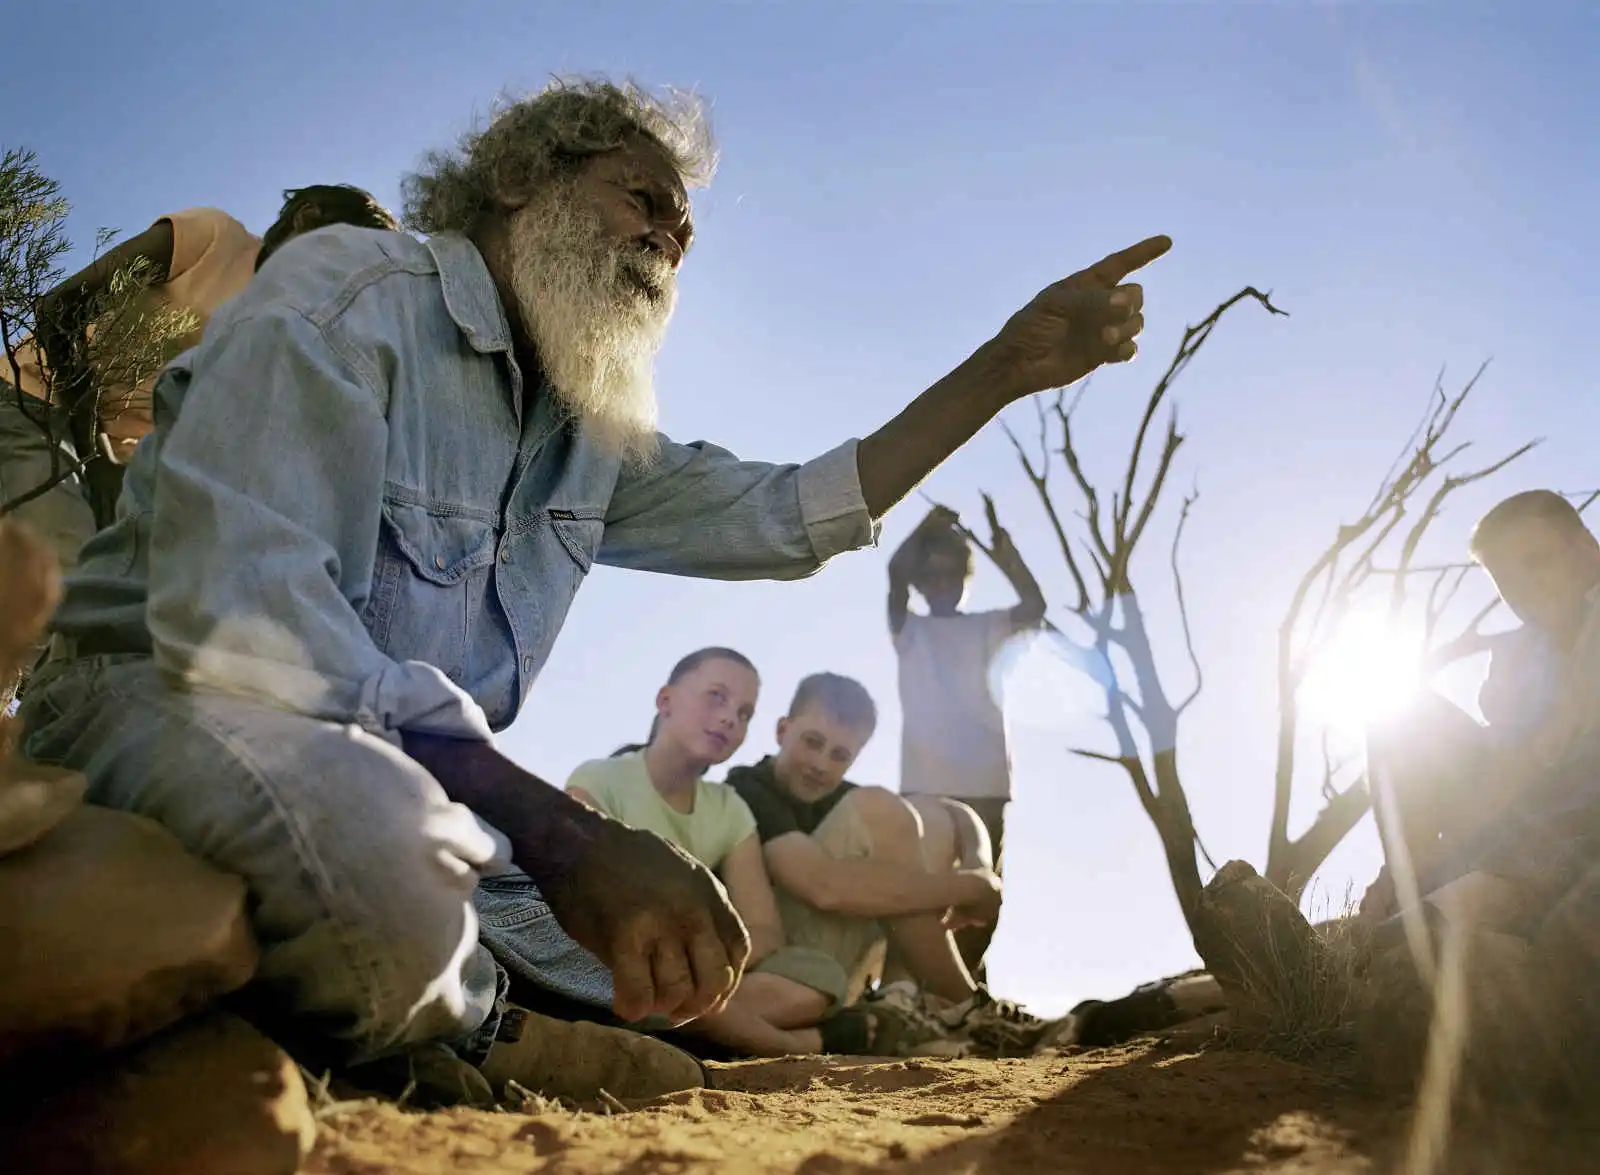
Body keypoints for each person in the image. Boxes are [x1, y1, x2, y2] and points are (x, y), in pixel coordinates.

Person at [19, 76, 1167, 1102]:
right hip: (167, 705)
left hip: (411, 777)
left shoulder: (582, 433)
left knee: (673, 957)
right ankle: (477, 1037)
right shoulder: (351, 291)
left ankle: (467, 1003)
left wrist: (1001, 371)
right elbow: (248, 625)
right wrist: (564, 832)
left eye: (684, 232)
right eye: (641, 198)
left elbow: (786, 512)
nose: (667, 238)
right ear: (522, 178)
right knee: (382, 850)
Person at [2, 186, 400, 705]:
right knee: (67, 591)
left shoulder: (276, 331)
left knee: (124, 601)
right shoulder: (213, 238)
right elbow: (61, 307)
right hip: (29, 400)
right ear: (307, 218)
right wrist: (93, 447)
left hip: (107, 459)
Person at [565, 648, 886, 1057]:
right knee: (625, 978)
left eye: (744, 713)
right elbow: (582, 905)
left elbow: (763, 930)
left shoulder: (729, 809)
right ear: (666, 700)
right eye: (717, 697)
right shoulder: (598, 779)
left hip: (700, 978)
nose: (730, 717)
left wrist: (707, 966)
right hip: (612, 966)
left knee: (817, 977)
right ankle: (798, 1043)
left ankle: (684, 1030)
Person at [725, 673, 1047, 1056]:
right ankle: (965, 1004)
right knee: (881, 810)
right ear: (782, 729)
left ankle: (900, 997)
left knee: (926, 816)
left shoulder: (837, 795)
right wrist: (969, 888)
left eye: (840, 755)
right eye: (812, 742)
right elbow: (822, 887)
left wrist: (980, 870)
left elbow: (955, 813)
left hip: (841, 965)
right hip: (784, 963)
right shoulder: (748, 787)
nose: (821, 764)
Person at [1361, 490, 1600, 942]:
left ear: (1588, 549)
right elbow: (1505, 766)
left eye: (1536, 563)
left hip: (1577, 810)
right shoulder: (1516, 657)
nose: (1525, 591)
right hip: (1521, 813)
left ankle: (1460, 895)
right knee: (1405, 718)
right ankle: (1412, 880)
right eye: (1507, 582)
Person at [887, 496, 1046, 977]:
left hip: (985, 784)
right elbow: (895, 575)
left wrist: (1005, 549)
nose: (940, 585)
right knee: (919, 891)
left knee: (980, 891)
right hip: (924, 785)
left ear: (964, 579)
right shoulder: (909, 631)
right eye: (930, 576)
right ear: (920, 583)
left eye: (950, 574)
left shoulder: (990, 627)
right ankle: (911, 988)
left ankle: (967, 986)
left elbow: (1035, 604)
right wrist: (926, 524)